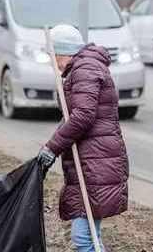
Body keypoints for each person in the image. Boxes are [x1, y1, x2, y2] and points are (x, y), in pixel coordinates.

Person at [36, 24, 129, 252]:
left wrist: (52, 148)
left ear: (62, 52)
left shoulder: (84, 69)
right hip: (93, 161)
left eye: (51, 56)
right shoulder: (84, 67)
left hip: (95, 163)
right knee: (91, 238)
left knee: (84, 239)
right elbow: (72, 117)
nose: (51, 62)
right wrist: (51, 145)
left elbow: (83, 117)